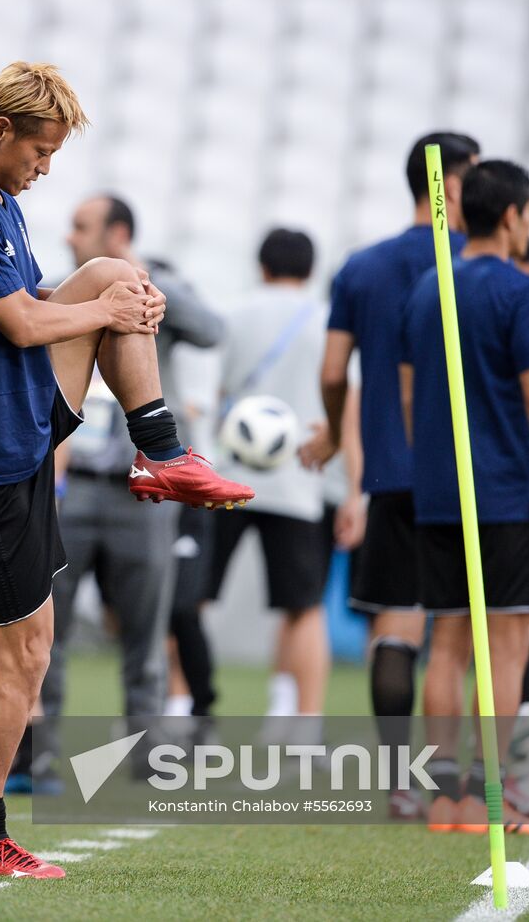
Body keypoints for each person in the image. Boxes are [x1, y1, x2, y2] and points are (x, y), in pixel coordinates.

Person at [0, 61, 252, 879]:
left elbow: (41, 301)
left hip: (12, 413)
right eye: (40, 150)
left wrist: (122, 305)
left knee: (116, 273)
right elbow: (25, 323)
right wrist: (109, 315)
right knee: (23, 661)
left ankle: (163, 453)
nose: (44, 168)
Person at [402, 159, 529, 834]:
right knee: (507, 644)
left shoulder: (429, 287)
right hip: (505, 490)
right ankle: (490, 794)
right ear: (512, 215)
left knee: (447, 641)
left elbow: (405, 390)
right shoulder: (520, 289)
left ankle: (446, 797)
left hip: (438, 489)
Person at [300, 131, 479, 820]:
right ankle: (453, 781)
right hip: (467, 474)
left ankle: (400, 783)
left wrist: (338, 427)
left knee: (396, 630)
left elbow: (330, 372)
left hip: (391, 472)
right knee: (461, 636)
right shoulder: (481, 265)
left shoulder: (362, 268)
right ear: (453, 184)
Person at [39, 193, 224, 764]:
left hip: (139, 488)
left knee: (145, 631)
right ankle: (38, 754)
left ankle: (149, 754)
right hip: (73, 487)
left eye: (82, 227)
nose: (71, 237)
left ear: (117, 235)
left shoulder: (152, 288)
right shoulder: (62, 292)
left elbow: (210, 329)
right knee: (48, 632)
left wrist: (148, 281)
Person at [204, 229, 331, 745]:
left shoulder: (231, 313)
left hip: (226, 474)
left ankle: (183, 710)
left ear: (261, 264)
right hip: (298, 480)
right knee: (303, 606)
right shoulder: (326, 321)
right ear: (310, 268)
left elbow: (209, 390)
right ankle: (305, 728)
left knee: (195, 597)